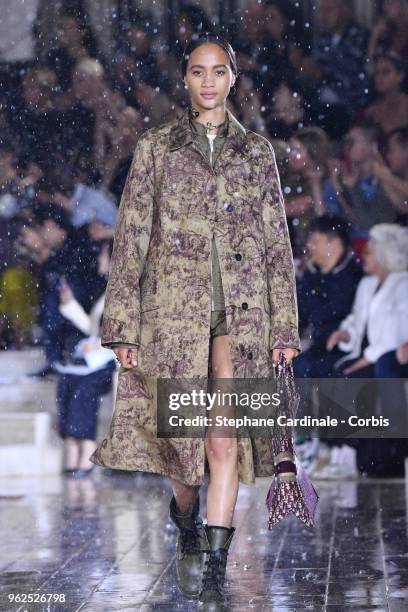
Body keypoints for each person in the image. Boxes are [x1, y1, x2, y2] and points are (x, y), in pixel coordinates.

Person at [90, 35, 300, 609]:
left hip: (241, 311)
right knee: (181, 445)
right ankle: (186, 519)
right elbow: (131, 240)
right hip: (172, 315)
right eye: (197, 72)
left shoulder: (257, 153)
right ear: (185, 80)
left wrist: (285, 328)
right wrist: (123, 327)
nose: (208, 82)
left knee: (222, 438)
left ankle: (214, 568)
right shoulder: (157, 148)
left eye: (218, 72)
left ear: (233, 78)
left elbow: (276, 245)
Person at [327, 224, 408, 477]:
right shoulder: (366, 284)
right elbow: (356, 319)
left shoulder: (403, 284)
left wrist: (365, 359)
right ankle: (341, 450)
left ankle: (359, 455)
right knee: (334, 371)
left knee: (355, 377)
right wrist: (345, 333)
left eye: (370, 252)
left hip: (390, 355)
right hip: (366, 352)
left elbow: (397, 332)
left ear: (385, 255)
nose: (364, 256)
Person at [55, 241, 116, 477]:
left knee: (84, 389)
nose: (99, 259)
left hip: (112, 359)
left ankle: (87, 451)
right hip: (98, 355)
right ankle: (73, 450)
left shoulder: (126, 289)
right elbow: (93, 327)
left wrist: (101, 343)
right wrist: (69, 304)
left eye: (103, 254)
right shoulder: (107, 289)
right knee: (67, 382)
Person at [294, 215, 362, 378]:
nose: (309, 246)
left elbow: (331, 313)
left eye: (315, 240)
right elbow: (301, 314)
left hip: (341, 346)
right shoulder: (311, 274)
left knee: (302, 365)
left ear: (334, 243)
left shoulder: (353, 276)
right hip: (314, 344)